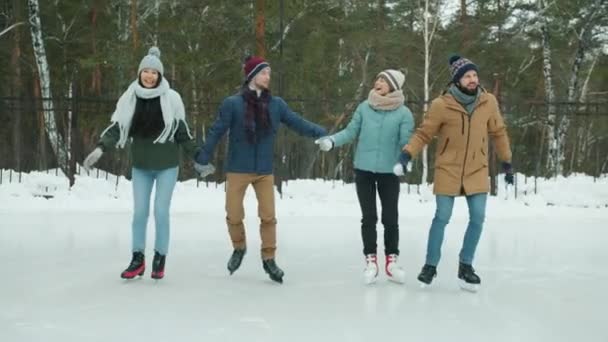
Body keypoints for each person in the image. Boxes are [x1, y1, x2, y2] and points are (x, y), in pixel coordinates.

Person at [195, 56, 327, 284]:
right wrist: (203, 157)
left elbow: (298, 122)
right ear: (252, 75)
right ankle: (239, 247)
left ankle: (269, 258)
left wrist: (322, 132)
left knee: (268, 216)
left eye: (269, 73)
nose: (268, 77)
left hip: (264, 170)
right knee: (233, 214)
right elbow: (217, 131)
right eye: (264, 72)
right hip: (238, 168)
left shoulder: (277, 105)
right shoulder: (232, 104)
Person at [396, 54, 514, 291]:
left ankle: (466, 265)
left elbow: (499, 132)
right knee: (442, 216)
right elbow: (423, 134)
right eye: (467, 76)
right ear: (457, 80)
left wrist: (507, 162)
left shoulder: (488, 102)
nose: (472, 79)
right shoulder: (442, 104)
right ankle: (430, 265)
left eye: (474, 75)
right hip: (448, 169)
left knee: (478, 217)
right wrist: (407, 154)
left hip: (477, 169)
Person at [83, 47, 199, 280]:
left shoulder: (172, 98)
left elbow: (182, 132)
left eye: (154, 72)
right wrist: (100, 147)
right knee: (139, 213)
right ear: (139, 73)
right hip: (141, 166)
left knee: (160, 211)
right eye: (145, 71)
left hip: (167, 165)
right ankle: (137, 259)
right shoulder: (130, 97)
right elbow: (117, 127)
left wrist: (199, 157)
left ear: (160, 75)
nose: (149, 76)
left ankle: (160, 257)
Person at [316, 69, 414, 285]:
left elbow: (407, 142)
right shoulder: (364, 107)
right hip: (364, 171)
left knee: (390, 218)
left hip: (390, 172)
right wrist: (332, 141)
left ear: (393, 86)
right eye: (377, 78)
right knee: (369, 217)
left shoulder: (404, 113)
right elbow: (351, 132)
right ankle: (371, 261)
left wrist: (404, 163)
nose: (378, 82)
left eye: (383, 80)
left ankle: (391, 262)